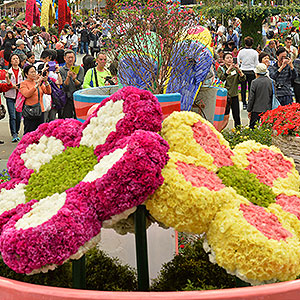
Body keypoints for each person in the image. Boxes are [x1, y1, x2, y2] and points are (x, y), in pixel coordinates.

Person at [217, 52, 246, 130]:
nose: (229, 59)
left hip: (234, 95)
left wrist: (239, 70)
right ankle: (220, 130)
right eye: (227, 58)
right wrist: (228, 70)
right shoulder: (221, 68)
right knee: (223, 115)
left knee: (236, 115)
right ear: (224, 60)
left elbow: (243, 79)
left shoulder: (235, 69)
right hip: (224, 96)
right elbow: (221, 79)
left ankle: (238, 132)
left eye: (231, 57)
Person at [19, 65, 51, 134]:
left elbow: (48, 92)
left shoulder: (38, 82)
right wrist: (36, 85)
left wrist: (46, 82)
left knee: (40, 132)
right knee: (29, 131)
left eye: (34, 71)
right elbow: (27, 94)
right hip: (30, 111)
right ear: (26, 74)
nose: (34, 73)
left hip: (40, 110)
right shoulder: (23, 83)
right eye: (31, 72)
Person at [59, 50, 84, 118]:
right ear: (64, 58)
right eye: (68, 57)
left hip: (77, 97)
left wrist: (74, 79)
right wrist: (68, 77)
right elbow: (64, 86)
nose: (70, 59)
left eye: (72, 57)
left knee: (78, 117)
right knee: (67, 117)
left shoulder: (80, 69)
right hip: (67, 97)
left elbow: (79, 84)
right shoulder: (61, 70)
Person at [5, 54, 24, 142]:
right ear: (11, 61)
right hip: (10, 96)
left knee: (19, 116)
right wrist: (12, 86)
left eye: (17, 58)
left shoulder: (22, 71)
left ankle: (16, 131)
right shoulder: (8, 72)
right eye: (14, 59)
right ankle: (14, 134)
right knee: (12, 116)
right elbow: (5, 84)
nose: (16, 60)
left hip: (19, 97)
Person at [247, 63, 273, 129]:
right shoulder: (271, 82)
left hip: (256, 109)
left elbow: (251, 98)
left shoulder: (254, 82)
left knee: (253, 128)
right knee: (266, 128)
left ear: (256, 73)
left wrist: (249, 110)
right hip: (267, 109)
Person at [237, 36, 259, 110]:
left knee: (243, 88)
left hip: (243, 71)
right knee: (251, 89)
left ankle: (244, 103)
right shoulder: (255, 52)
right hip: (252, 71)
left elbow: (237, 61)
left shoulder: (241, 51)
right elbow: (256, 63)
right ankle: (250, 102)